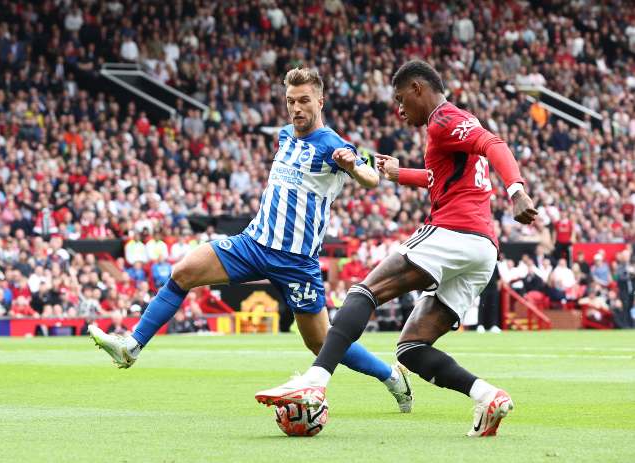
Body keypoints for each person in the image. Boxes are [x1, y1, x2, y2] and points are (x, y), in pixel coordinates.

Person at [89, 67, 413, 413]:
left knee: (321, 341)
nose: (296, 108)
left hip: (296, 262)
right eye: (291, 101)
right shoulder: (285, 135)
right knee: (183, 271)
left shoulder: (334, 144)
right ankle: (132, 346)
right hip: (253, 244)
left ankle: (391, 377)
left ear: (321, 101)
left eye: (304, 100)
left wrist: (352, 165)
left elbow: (370, 179)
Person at [255, 60, 538, 437]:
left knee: (363, 291)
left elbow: (493, 143)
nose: (400, 110)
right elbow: (442, 178)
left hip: (454, 232)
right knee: (412, 348)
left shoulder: (443, 118)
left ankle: (315, 381)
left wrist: (516, 190)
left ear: (419, 88)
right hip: (483, 249)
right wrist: (398, 174)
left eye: (402, 100)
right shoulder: (449, 128)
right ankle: (487, 396)